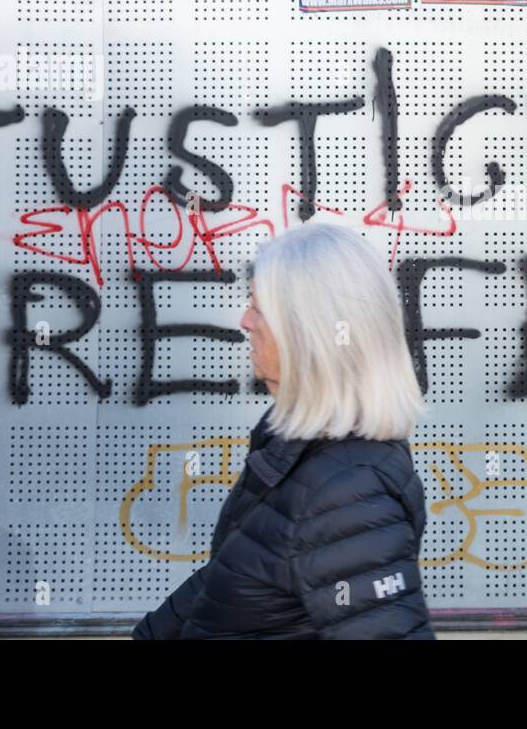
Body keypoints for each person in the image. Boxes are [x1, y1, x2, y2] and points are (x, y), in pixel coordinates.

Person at [132, 222, 436, 639]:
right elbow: (231, 577)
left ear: (307, 332)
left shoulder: (345, 492)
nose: (244, 321)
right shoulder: (293, 450)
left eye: (258, 307)